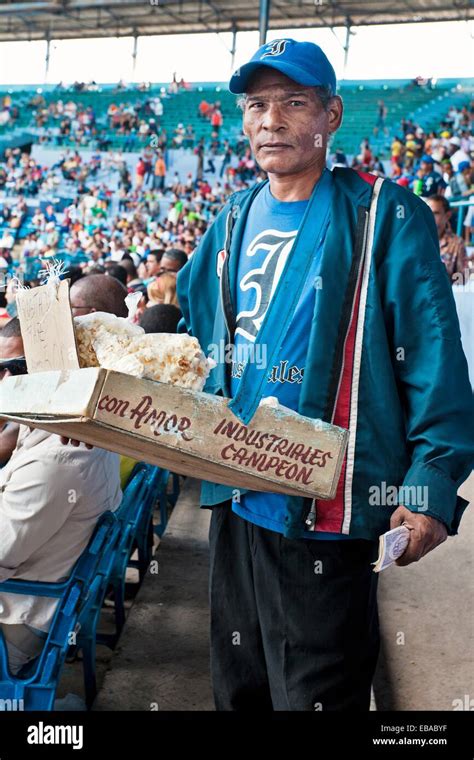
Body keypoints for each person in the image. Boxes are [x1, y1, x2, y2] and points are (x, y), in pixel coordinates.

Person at [176, 38, 474, 711]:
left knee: (316, 692)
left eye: (294, 102)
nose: (271, 120)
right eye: (257, 104)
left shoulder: (382, 212)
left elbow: (433, 357)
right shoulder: (229, 218)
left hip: (325, 501)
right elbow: (184, 342)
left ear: (332, 115)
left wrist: (429, 484)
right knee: (240, 688)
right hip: (235, 496)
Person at [0, 318, 122, 675]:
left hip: (16, 624)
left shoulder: (59, 458)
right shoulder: (72, 428)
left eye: (16, 368)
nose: (5, 380)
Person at [425, 194, 468, 280]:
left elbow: (462, 280)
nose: (429, 216)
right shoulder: (415, 240)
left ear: (447, 215)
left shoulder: (456, 244)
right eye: (427, 212)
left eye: (435, 213)